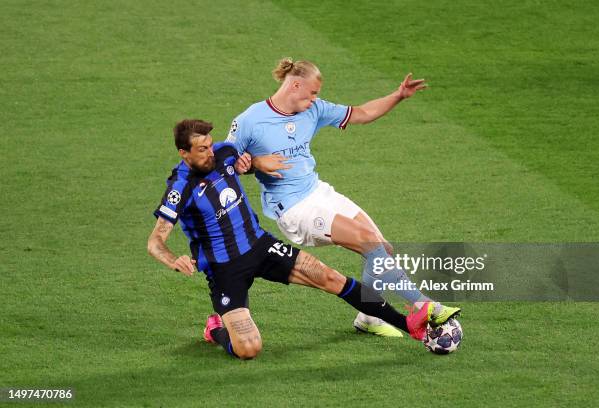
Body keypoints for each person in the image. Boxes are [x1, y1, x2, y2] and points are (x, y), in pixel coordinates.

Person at [147, 119, 447, 359]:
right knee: (249, 349)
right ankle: (216, 329)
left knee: (330, 277)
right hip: (225, 270)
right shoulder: (180, 188)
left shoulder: (224, 154)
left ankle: (409, 326)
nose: (210, 152)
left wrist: (257, 163)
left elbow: (248, 163)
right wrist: (174, 259)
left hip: (260, 246)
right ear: (184, 153)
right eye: (201, 149)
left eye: (210, 145)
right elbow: (155, 242)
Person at [226, 58, 460, 336]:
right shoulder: (250, 121)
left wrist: (398, 95)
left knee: (382, 249)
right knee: (368, 242)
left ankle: (369, 316)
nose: (315, 99)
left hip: (319, 192)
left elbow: (361, 113)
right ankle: (424, 305)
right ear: (295, 84)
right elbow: (222, 164)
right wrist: (254, 164)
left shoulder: (313, 110)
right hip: (294, 209)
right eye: (312, 93)